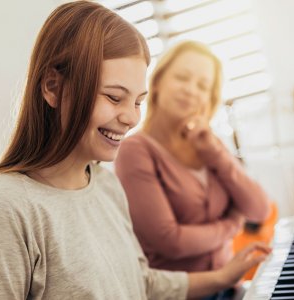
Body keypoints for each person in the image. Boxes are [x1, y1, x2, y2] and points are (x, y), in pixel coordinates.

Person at [0, 2, 270, 299]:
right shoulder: (5, 209)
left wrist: (223, 277)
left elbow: (140, 281)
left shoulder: (104, 184)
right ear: (52, 87)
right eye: (114, 97)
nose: (131, 118)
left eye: (137, 102)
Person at [114, 41, 271, 281]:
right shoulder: (134, 151)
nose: (191, 90)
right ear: (157, 82)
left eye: (202, 85)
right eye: (182, 78)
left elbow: (259, 209)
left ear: (210, 98)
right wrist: (231, 225)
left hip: (230, 288)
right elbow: (171, 241)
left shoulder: (210, 144)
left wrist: (215, 154)